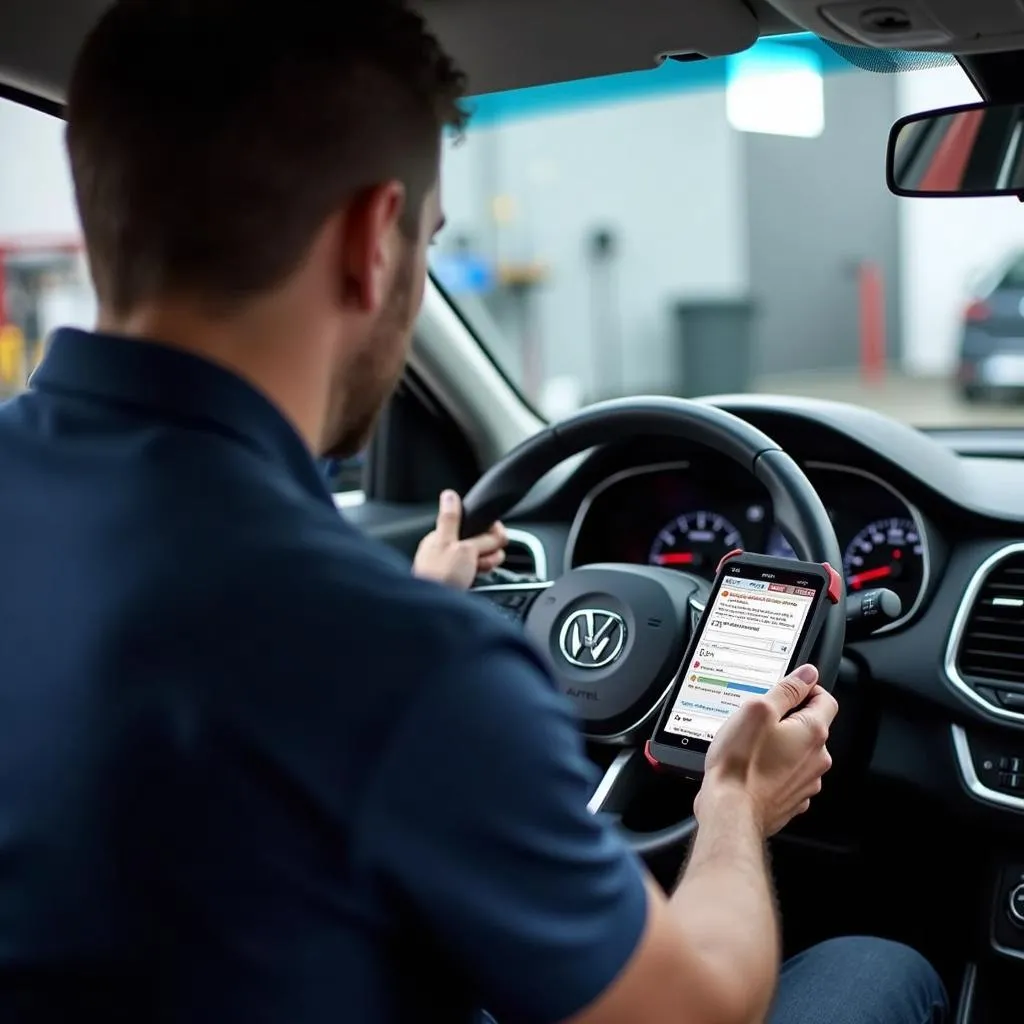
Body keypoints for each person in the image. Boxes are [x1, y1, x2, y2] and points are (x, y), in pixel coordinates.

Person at [0, 1, 947, 1022]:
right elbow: (697, 1006)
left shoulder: (369, 640)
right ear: (373, 240)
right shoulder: (407, 665)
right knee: (879, 966)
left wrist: (401, 609)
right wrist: (734, 802)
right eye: (429, 242)